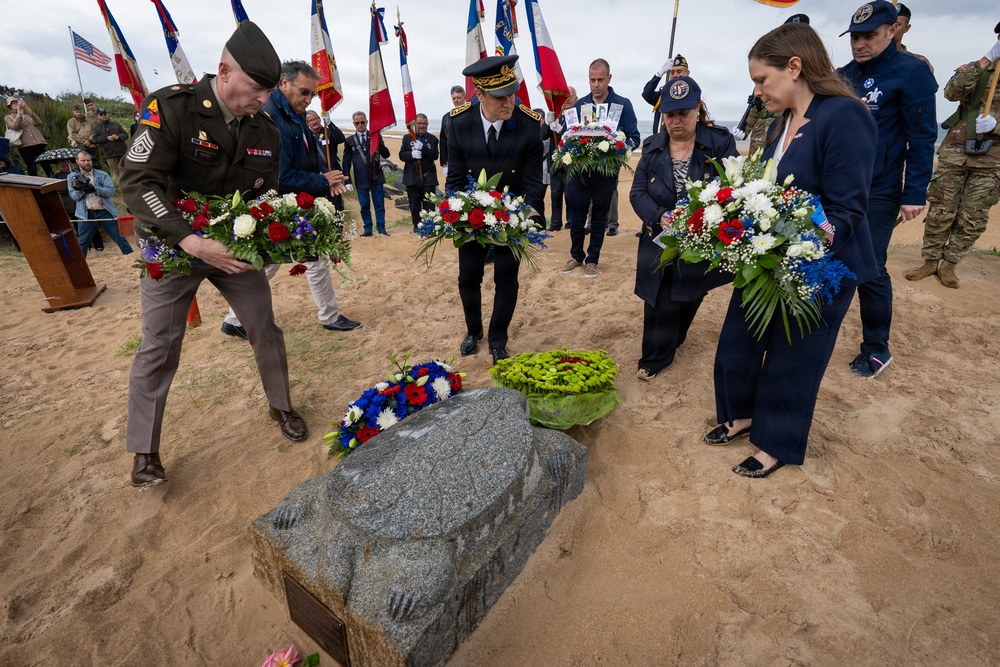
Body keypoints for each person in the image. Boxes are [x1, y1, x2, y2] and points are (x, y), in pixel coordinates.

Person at [120, 21, 309, 488]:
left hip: (232, 251)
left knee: (263, 326)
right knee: (159, 346)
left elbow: (266, 197)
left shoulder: (266, 129)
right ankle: (145, 450)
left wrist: (279, 236)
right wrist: (188, 239)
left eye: (269, 91)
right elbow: (137, 182)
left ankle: (281, 405)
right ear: (223, 72)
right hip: (173, 246)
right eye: (254, 89)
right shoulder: (170, 107)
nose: (264, 100)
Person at [707, 22, 879, 479]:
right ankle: (742, 414)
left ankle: (775, 442)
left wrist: (796, 241)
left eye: (762, 80)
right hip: (768, 258)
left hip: (821, 266)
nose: (758, 92)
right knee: (736, 345)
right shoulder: (780, 122)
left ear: (795, 66)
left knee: (793, 357)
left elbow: (847, 209)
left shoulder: (844, 115)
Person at [221, 60, 359, 340]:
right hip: (282, 200)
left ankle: (237, 318)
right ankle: (237, 318)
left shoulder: (294, 114)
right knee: (270, 262)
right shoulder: (271, 117)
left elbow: (304, 158)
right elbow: (281, 175)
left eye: (312, 94)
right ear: (284, 84)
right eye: (304, 92)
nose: (308, 100)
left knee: (303, 258)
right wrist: (322, 181)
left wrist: (325, 177)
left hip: (299, 200)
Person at [837, 0, 937, 379]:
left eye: (869, 36)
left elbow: (923, 137)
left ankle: (876, 347)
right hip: (839, 186)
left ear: (892, 31)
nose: (860, 44)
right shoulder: (842, 75)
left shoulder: (911, 73)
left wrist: (914, 192)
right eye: (855, 37)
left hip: (879, 188)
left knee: (870, 267)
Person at [629, 77, 737, 381]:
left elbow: (733, 185)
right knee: (659, 296)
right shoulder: (651, 147)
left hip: (701, 239)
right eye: (670, 114)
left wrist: (702, 218)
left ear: (698, 110)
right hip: (659, 237)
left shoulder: (719, 142)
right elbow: (637, 193)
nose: (676, 121)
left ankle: (674, 336)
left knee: (690, 292)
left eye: (683, 114)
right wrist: (661, 216)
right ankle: (654, 358)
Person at [446, 54, 544, 364]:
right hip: (472, 218)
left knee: (506, 278)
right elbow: (456, 180)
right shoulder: (458, 123)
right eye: (500, 96)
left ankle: (498, 338)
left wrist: (523, 215)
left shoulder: (528, 126)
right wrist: (465, 215)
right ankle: (473, 331)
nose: (509, 102)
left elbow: (532, 184)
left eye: (513, 92)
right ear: (480, 94)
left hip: (511, 217)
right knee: (468, 278)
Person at [905, 25, 1000, 289]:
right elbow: (951, 92)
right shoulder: (977, 68)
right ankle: (930, 261)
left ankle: (950, 264)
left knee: (973, 216)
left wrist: (997, 124)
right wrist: (986, 60)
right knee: (940, 209)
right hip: (957, 151)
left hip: (992, 159)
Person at [560, 58, 640, 278]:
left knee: (598, 218)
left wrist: (619, 149)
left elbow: (634, 137)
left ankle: (592, 259)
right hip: (579, 173)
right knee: (575, 218)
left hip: (606, 173)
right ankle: (576, 256)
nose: (595, 84)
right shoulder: (579, 105)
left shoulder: (622, 104)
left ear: (609, 79)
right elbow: (567, 136)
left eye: (600, 80)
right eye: (592, 80)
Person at [734, 15, 810, 154]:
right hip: (761, 134)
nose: (758, 91)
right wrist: (744, 129)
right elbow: (754, 107)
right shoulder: (766, 84)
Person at [67, 150, 133, 256]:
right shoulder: (71, 177)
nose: (87, 162)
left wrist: (93, 187)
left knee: (120, 238)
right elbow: (74, 196)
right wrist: (80, 189)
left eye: (88, 160)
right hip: (85, 214)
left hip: (105, 210)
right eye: (83, 160)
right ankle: (80, 265)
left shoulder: (102, 175)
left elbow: (110, 191)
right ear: (77, 161)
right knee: (82, 242)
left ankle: (130, 258)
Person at [343, 111, 390, 236]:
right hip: (361, 178)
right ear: (354, 124)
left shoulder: (375, 136)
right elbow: (346, 162)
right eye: (357, 123)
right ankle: (368, 229)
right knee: (364, 205)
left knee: (379, 204)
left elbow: (386, 154)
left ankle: (381, 229)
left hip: (376, 176)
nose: (360, 125)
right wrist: (347, 180)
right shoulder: (349, 141)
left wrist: (379, 142)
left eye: (362, 122)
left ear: (367, 122)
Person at [544, 86, 577, 231]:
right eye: (565, 96)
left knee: (570, 196)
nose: (568, 99)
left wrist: (561, 130)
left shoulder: (577, 116)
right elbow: (542, 136)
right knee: (555, 195)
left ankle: (570, 223)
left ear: (576, 98)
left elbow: (575, 135)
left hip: (570, 163)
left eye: (571, 96)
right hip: (555, 163)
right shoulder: (556, 115)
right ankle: (556, 223)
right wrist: (547, 124)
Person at [399, 113, 439, 232]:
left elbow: (434, 155)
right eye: (419, 123)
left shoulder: (433, 139)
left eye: (424, 123)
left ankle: (429, 226)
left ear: (427, 124)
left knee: (429, 204)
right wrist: (411, 155)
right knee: (414, 204)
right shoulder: (407, 138)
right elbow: (401, 155)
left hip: (428, 177)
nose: (421, 126)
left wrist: (423, 148)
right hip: (411, 176)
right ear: (414, 124)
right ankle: (417, 226)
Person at [305, 110, 347, 211]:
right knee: (320, 204)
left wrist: (329, 122)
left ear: (320, 119)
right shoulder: (307, 136)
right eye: (310, 120)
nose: (314, 122)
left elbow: (341, 138)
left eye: (315, 118)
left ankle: (338, 225)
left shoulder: (328, 132)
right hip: (318, 176)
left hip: (333, 172)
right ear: (307, 123)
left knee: (335, 203)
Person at [4, 97, 50, 177]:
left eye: (17, 101)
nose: (16, 103)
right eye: (13, 103)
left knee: (46, 165)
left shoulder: (27, 115)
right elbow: (14, 126)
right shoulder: (8, 117)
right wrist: (19, 114)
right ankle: (34, 187)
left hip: (38, 143)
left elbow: (38, 122)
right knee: (31, 167)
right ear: (10, 106)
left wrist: (27, 109)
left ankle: (55, 184)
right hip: (24, 146)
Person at [894, 3, 934, 73]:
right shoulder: (871, 58)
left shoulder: (920, 62)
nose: (892, 28)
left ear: (906, 28)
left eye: (897, 25)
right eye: (888, 24)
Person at [92, 108, 129, 178]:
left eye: (105, 114)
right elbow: (95, 139)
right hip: (109, 153)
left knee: (126, 171)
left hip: (122, 151)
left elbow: (126, 135)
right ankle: (117, 188)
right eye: (101, 114)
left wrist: (118, 136)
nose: (104, 115)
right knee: (115, 173)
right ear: (98, 116)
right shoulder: (96, 127)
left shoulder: (116, 125)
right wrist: (107, 138)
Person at [440, 85, 466, 183]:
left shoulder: (472, 114)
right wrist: (444, 164)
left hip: (469, 159)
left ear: (464, 97)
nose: (456, 100)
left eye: (459, 98)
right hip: (452, 160)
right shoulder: (446, 117)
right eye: (454, 98)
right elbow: (443, 141)